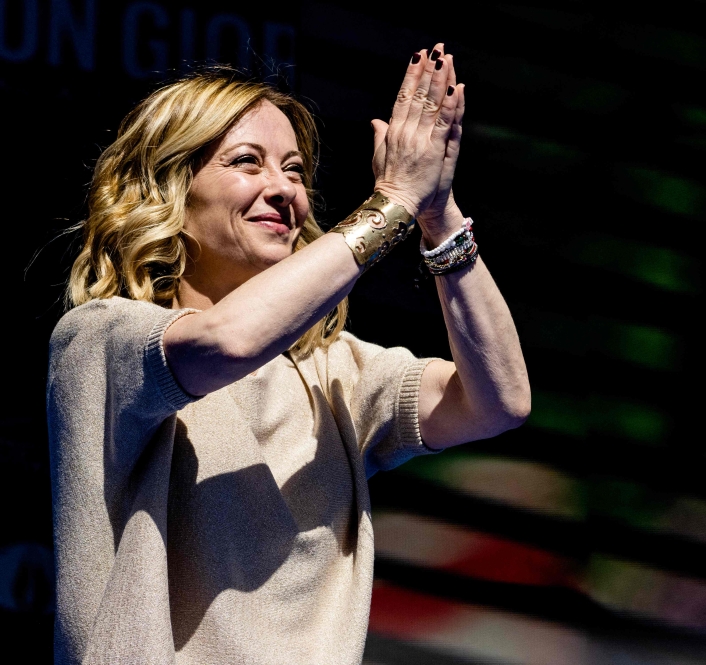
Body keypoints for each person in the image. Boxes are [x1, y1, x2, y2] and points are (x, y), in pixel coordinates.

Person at [46, 44, 530, 664]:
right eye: (247, 162)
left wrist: (438, 216)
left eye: (296, 170)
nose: (283, 190)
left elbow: (500, 402)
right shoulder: (100, 339)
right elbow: (228, 341)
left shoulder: (336, 373)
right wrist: (391, 205)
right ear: (169, 189)